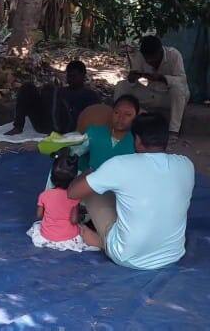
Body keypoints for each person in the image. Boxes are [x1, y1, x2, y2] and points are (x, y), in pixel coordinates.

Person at [68, 113, 195, 270]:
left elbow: (73, 193)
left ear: (137, 140)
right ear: (166, 139)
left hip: (128, 258)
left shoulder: (119, 165)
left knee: (95, 193)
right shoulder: (186, 164)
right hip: (172, 254)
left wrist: (88, 172)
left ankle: (103, 243)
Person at [114, 35, 189, 146]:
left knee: (178, 89)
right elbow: (132, 81)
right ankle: (115, 121)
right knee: (121, 85)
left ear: (160, 51)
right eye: (148, 61)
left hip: (169, 98)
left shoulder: (174, 55)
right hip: (150, 94)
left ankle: (173, 132)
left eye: (153, 60)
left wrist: (162, 78)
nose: (150, 63)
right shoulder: (140, 56)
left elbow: (182, 80)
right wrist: (132, 78)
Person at [27, 151, 98, 252]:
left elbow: (39, 215)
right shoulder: (74, 197)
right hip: (68, 236)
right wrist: (80, 216)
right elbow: (73, 220)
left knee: (37, 226)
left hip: (47, 235)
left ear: (52, 177)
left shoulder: (44, 195)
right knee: (83, 228)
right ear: (74, 179)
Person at [6, 60, 100, 135]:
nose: (70, 79)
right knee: (28, 87)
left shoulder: (89, 95)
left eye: (74, 76)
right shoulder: (61, 90)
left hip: (63, 127)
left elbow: (92, 118)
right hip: (43, 122)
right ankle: (18, 127)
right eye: (68, 76)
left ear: (83, 76)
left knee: (51, 90)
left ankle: (55, 129)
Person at [72, 94, 140, 172]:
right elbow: (75, 153)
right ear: (112, 113)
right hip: (91, 181)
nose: (121, 118)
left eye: (128, 115)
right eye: (117, 112)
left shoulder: (138, 143)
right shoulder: (94, 133)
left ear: (136, 117)